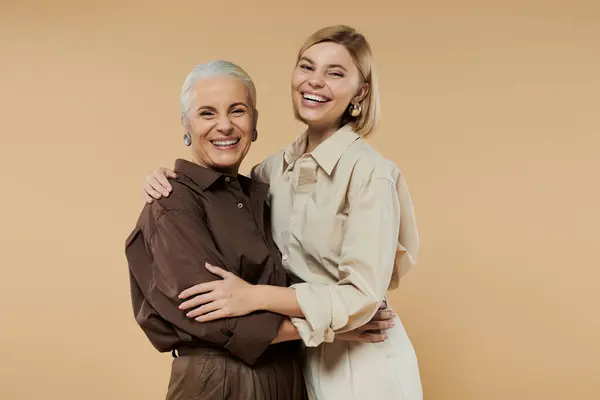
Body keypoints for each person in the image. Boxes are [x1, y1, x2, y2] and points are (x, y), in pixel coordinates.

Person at [141, 26, 422, 400]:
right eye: (307, 67)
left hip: (361, 361)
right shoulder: (269, 173)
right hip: (297, 360)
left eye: (335, 73)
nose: (316, 81)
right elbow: (216, 191)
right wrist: (167, 179)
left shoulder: (372, 174)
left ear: (361, 91)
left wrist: (256, 297)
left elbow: (363, 298)